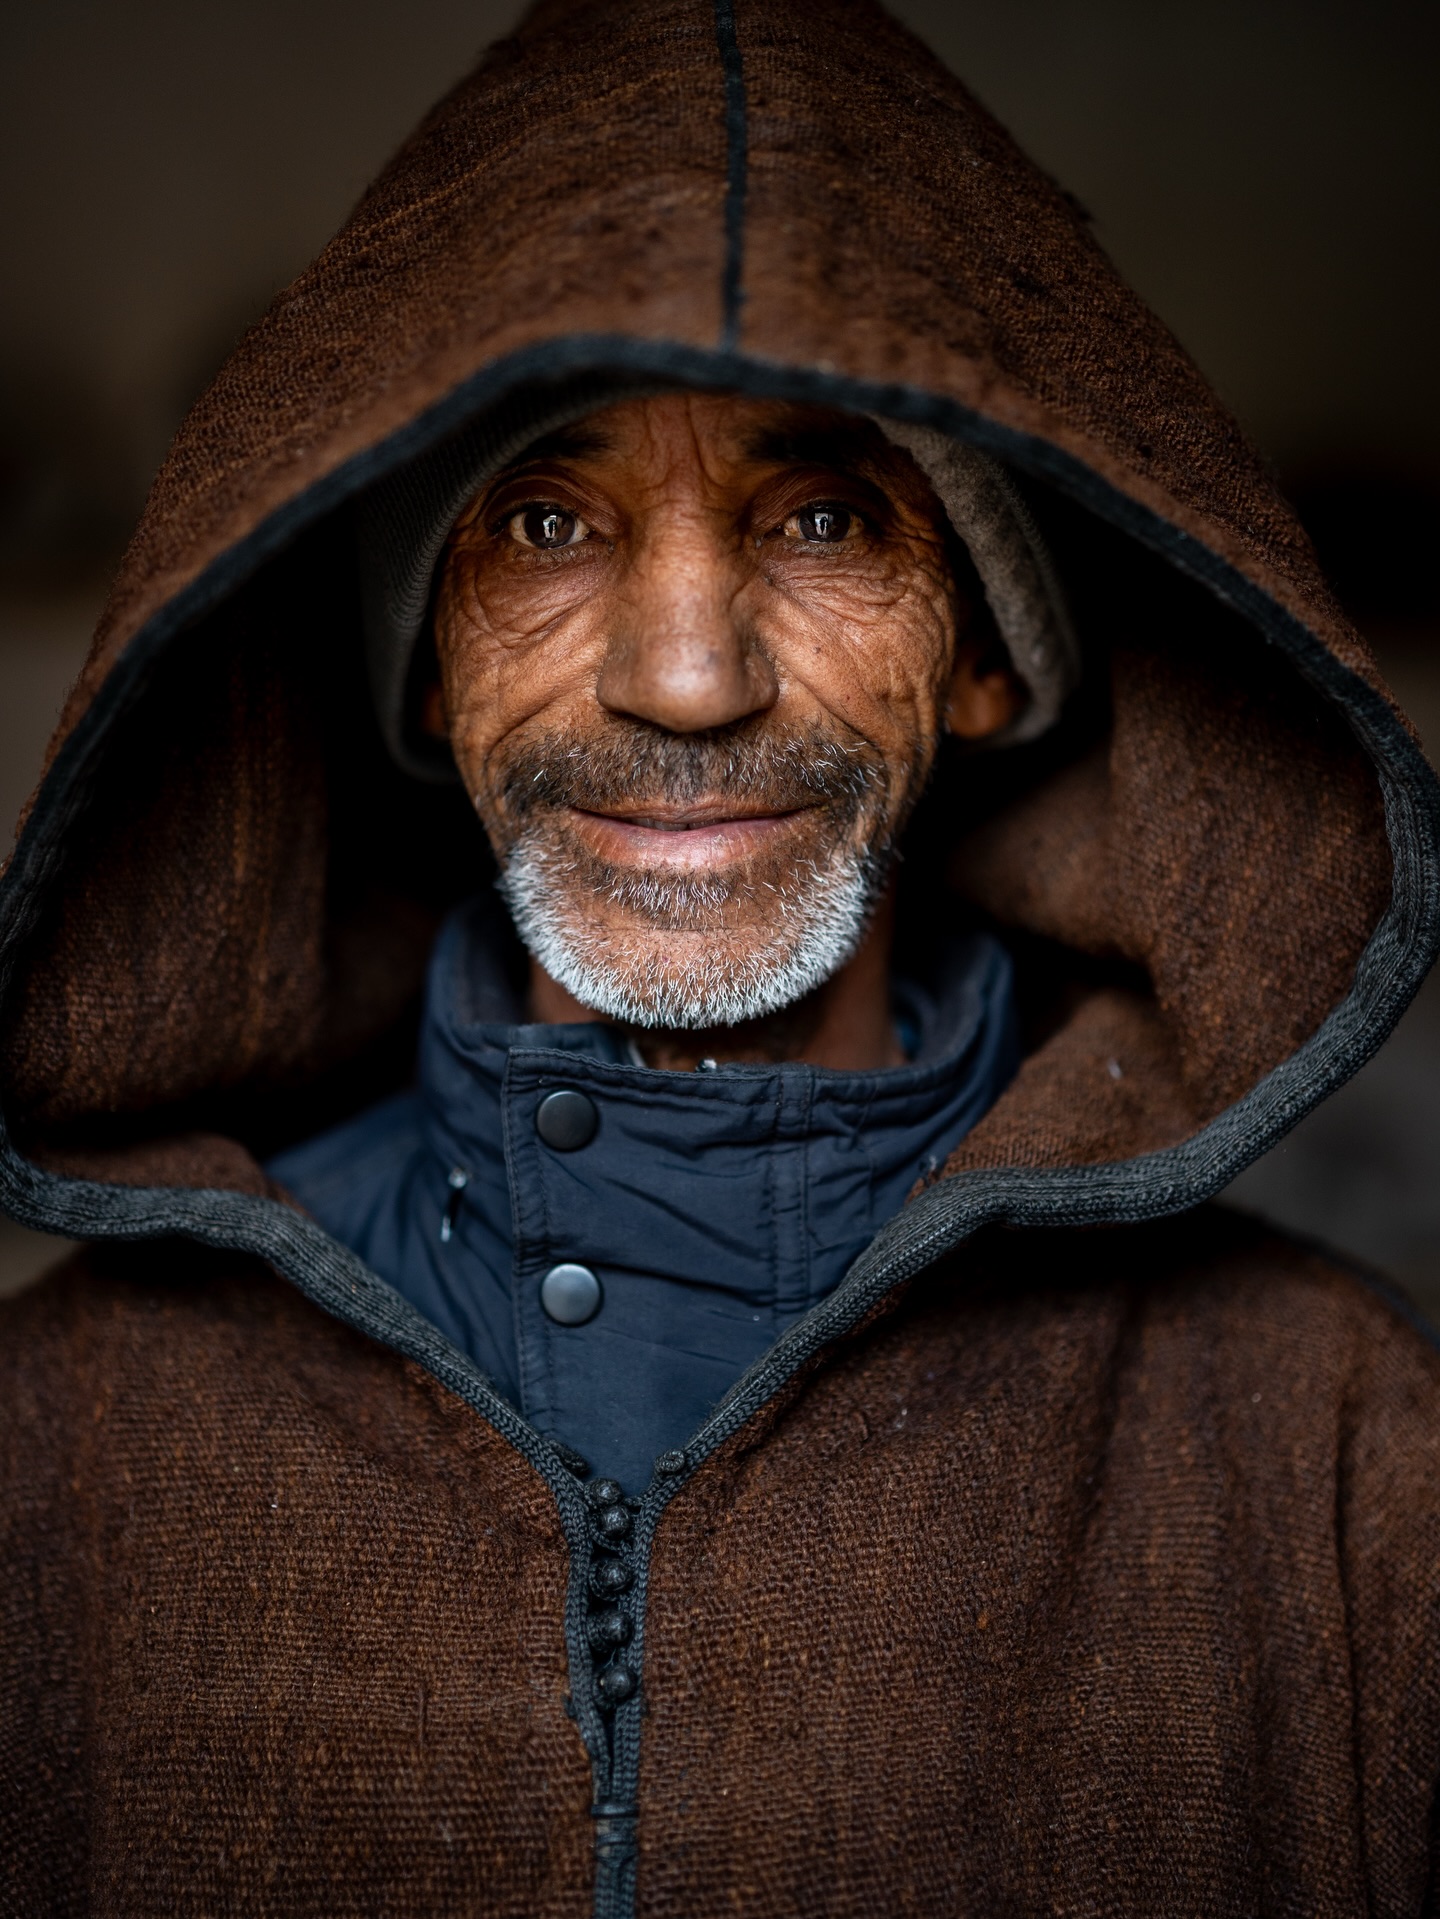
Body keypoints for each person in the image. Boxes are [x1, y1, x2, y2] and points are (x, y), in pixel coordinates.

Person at [2, 2, 1437, 1913]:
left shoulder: (1337, 1451)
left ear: (991, 658)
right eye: (544, 520)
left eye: (826, 514)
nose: (686, 675)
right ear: (432, 673)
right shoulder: (60, 1454)